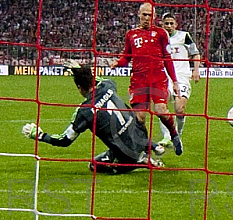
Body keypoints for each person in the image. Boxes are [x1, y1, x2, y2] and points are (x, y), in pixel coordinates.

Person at [21, 64, 164, 174]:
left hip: (126, 154)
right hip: (140, 135)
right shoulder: (109, 85)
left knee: (94, 165)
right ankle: (152, 146)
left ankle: (140, 161)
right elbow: (99, 80)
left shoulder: (85, 111)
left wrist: (39, 135)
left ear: (79, 88)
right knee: (129, 124)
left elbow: (64, 141)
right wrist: (80, 70)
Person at [111, 2, 183, 155]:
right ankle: (147, 147)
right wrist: (117, 63)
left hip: (158, 79)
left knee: (161, 111)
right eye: (144, 15)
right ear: (139, 15)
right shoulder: (131, 34)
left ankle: (174, 135)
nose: (147, 18)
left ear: (155, 17)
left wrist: (175, 81)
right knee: (140, 119)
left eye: (150, 15)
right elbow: (126, 57)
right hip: (138, 80)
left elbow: (167, 58)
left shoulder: (161, 34)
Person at [157, 12, 201, 148]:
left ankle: (178, 135)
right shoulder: (159, 37)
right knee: (161, 106)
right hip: (164, 76)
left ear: (176, 24)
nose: (169, 26)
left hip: (181, 76)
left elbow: (196, 53)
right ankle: (166, 136)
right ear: (162, 24)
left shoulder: (184, 36)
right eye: (166, 23)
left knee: (179, 108)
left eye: (171, 23)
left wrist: (196, 70)